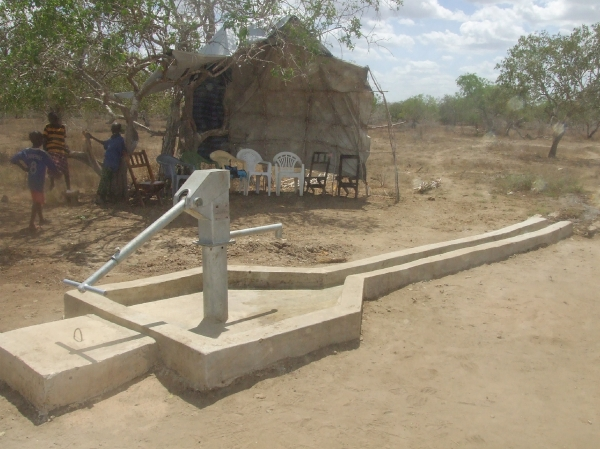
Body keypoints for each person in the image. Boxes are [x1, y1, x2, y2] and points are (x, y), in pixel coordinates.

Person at [11, 131, 60, 231]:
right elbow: (52, 166)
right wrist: (58, 174)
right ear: (40, 140)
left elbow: (13, 159)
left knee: (37, 199)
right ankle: (31, 224)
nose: (43, 140)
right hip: (39, 180)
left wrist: (24, 168)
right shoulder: (42, 154)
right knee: (37, 201)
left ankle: (41, 219)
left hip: (31, 179)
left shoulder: (26, 151)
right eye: (42, 139)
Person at [85, 123, 126, 204]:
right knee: (106, 179)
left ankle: (101, 196)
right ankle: (106, 196)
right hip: (109, 163)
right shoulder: (113, 139)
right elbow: (104, 143)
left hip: (112, 163)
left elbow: (123, 151)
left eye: (113, 129)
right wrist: (92, 137)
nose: (112, 131)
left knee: (104, 179)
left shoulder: (120, 140)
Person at [43, 112, 71, 191]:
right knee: (53, 167)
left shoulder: (62, 128)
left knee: (66, 171)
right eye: (50, 120)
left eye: (53, 120)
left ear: (57, 120)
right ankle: (52, 184)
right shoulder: (47, 127)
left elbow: (62, 140)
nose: (51, 121)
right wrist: (45, 152)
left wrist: (66, 148)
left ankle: (68, 188)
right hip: (51, 151)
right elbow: (44, 140)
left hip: (61, 151)